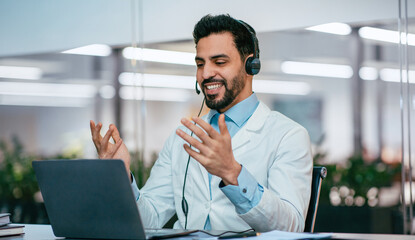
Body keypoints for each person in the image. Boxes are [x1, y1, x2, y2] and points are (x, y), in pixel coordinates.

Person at [90, 14, 312, 232]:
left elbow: (291, 227)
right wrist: (121, 176)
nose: (205, 74)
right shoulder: (183, 137)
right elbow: (150, 218)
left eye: (219, 62)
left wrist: (233, 173)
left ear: (250, 66)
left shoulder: (288, 136)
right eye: (200, 63)